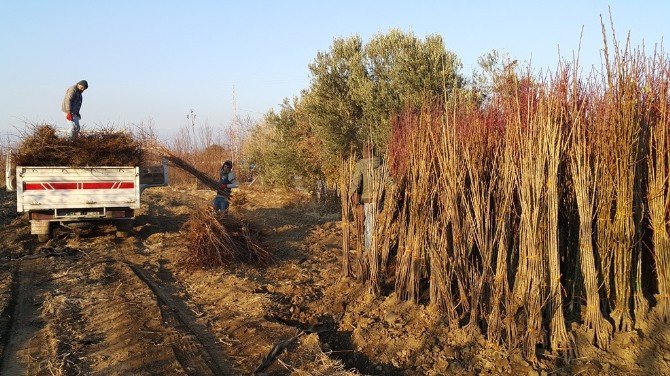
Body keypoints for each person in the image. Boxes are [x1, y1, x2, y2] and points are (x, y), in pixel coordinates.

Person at [349, 142, 386, 251]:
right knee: (373, 222)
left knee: (369, 224)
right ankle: (371, 247)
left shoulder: (361, 164)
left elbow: (356, 182)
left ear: (364, 151)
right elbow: (388, 179)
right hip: (378, 198)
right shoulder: (381, 162)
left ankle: (369, 249)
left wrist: (351, 193)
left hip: (367, 199)